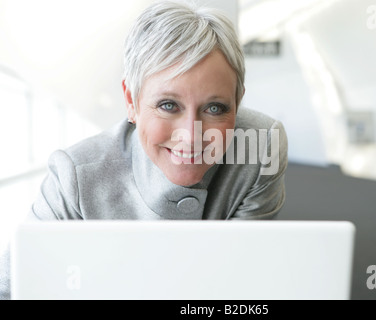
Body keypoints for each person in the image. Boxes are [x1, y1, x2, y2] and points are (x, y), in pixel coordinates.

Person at [0, 0, 288, 300]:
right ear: (131, 102)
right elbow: (12, 289)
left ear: (238, 101)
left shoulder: (259, 147)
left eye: (215, 108)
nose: (191, 136)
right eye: (168, 105)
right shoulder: (75, 176)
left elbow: (235, 283)